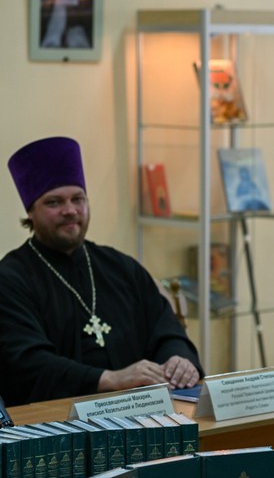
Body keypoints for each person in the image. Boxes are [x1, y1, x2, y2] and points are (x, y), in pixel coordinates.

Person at [0, 136, 203, 407]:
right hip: (57, 420)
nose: (70, 210)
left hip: (144, 412)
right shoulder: (10, 279)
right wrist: (109, 379)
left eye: (78, 199)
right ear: (30, 212)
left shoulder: (121, 267)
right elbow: (27, 363)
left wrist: (179, 360)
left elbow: (166, 329)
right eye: (54, 202)